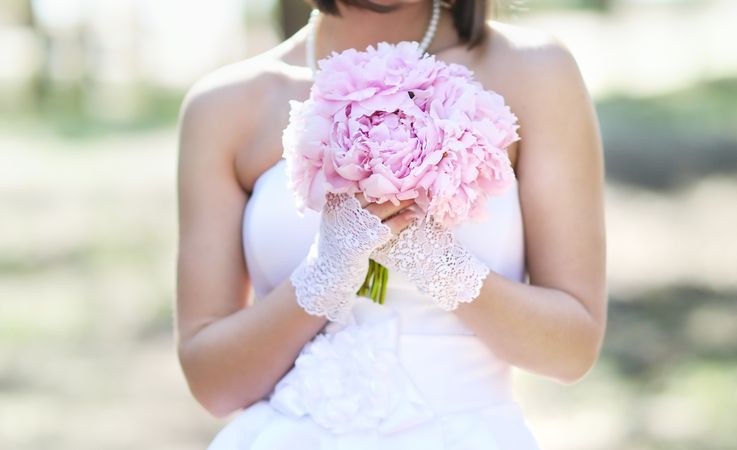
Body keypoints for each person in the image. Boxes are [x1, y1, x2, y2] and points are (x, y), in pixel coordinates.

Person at [174, 0, 607, 448]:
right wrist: (325, 273)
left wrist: (442, 265)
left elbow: (571, 350)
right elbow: (214, 384)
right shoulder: (223, 105)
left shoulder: (535, 71)